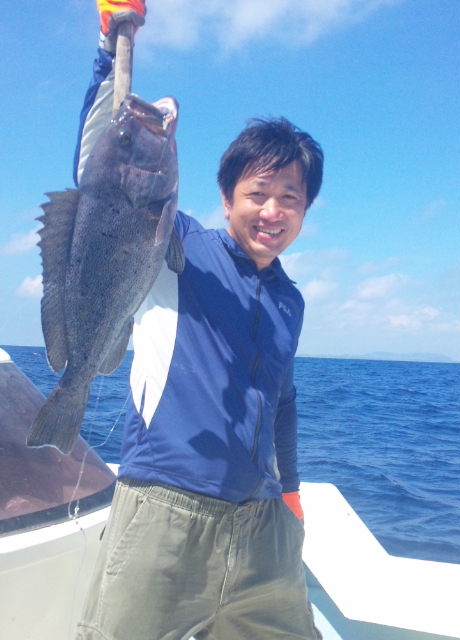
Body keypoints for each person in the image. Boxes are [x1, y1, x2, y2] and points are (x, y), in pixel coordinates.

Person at [75, 2, 324, 639]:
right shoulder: (173, 244)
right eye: (257, 194)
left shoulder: (291, 300)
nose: (272, 212)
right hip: (165, 513)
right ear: (226, 197)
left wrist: (291, 492)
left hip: (264, 527)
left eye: (290, 198)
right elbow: (104, 174)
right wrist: (109, 53)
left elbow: (283, 401)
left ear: (305, 210)